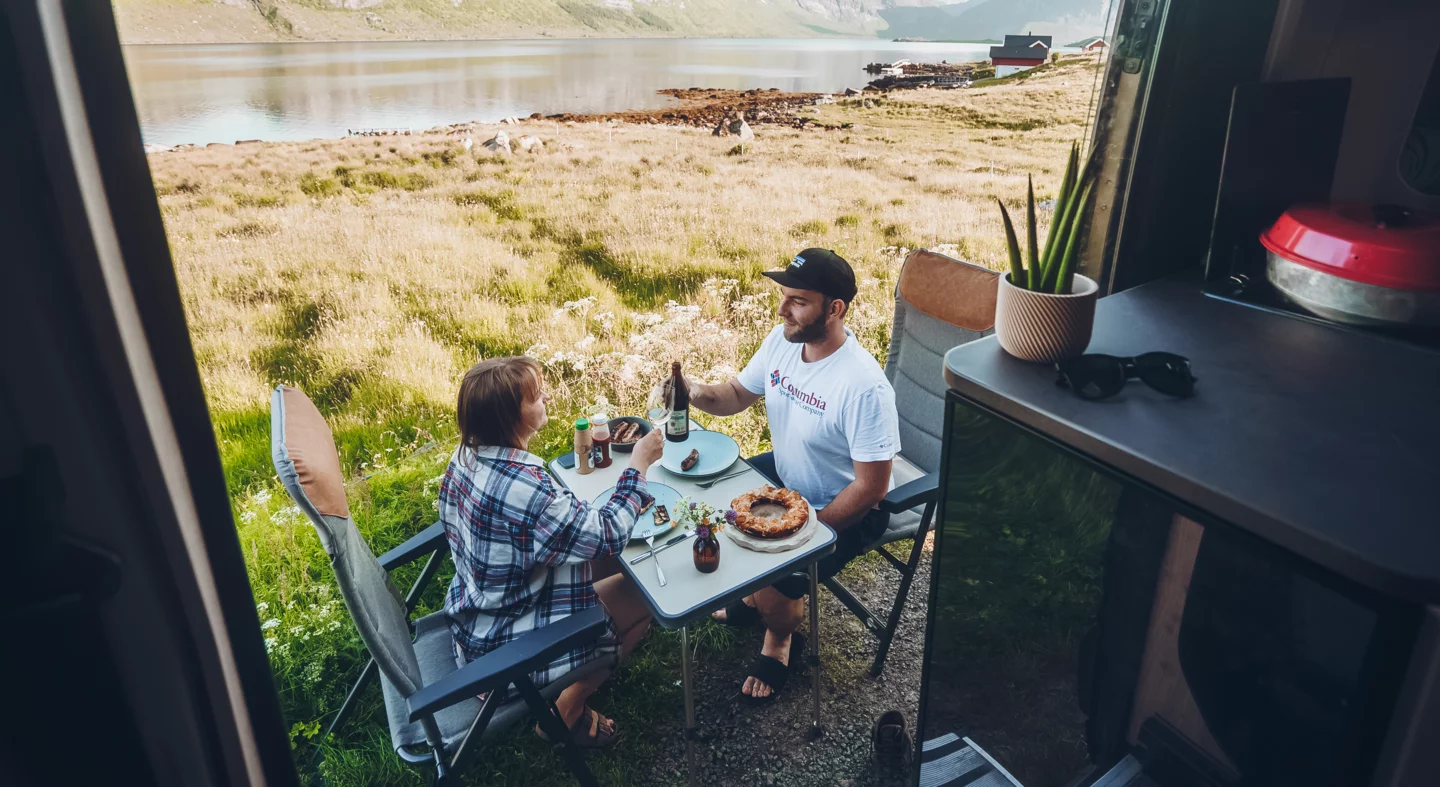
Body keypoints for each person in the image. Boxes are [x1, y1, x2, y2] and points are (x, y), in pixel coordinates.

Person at [673, 248, 900, 703]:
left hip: (844, 506)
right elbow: (737, 393)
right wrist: (692, 390)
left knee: (776, 566)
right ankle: (757, 596)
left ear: (835, 309)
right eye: (783, 296)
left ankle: (779, 636)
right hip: (787, 478)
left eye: (796, 300)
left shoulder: (863, 386)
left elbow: (871, 487)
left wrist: (804, 532)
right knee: (713, 506)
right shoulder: (785, 341)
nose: (782, 310)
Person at [438, 356, 664, 747]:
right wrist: (638, 467)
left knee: (615, 560)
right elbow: (608, 534)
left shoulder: (465, 457)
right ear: (510, 417)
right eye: (535, 396)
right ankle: (564, 713)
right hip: (504, 652)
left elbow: (554, 529)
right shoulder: (525, 490)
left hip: (474, 617)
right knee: (648, 593)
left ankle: (568, 702)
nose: (545, 398)